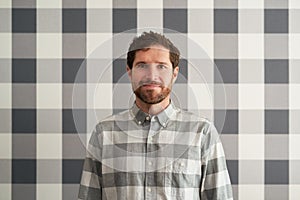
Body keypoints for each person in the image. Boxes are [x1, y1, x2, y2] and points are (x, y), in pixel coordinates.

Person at [78, 31, 233, 200]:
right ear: (129, 72)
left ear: (174, 73)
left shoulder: (202, 133)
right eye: (142, 65)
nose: (151, 76)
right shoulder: (104, 133)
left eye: (161, 66)